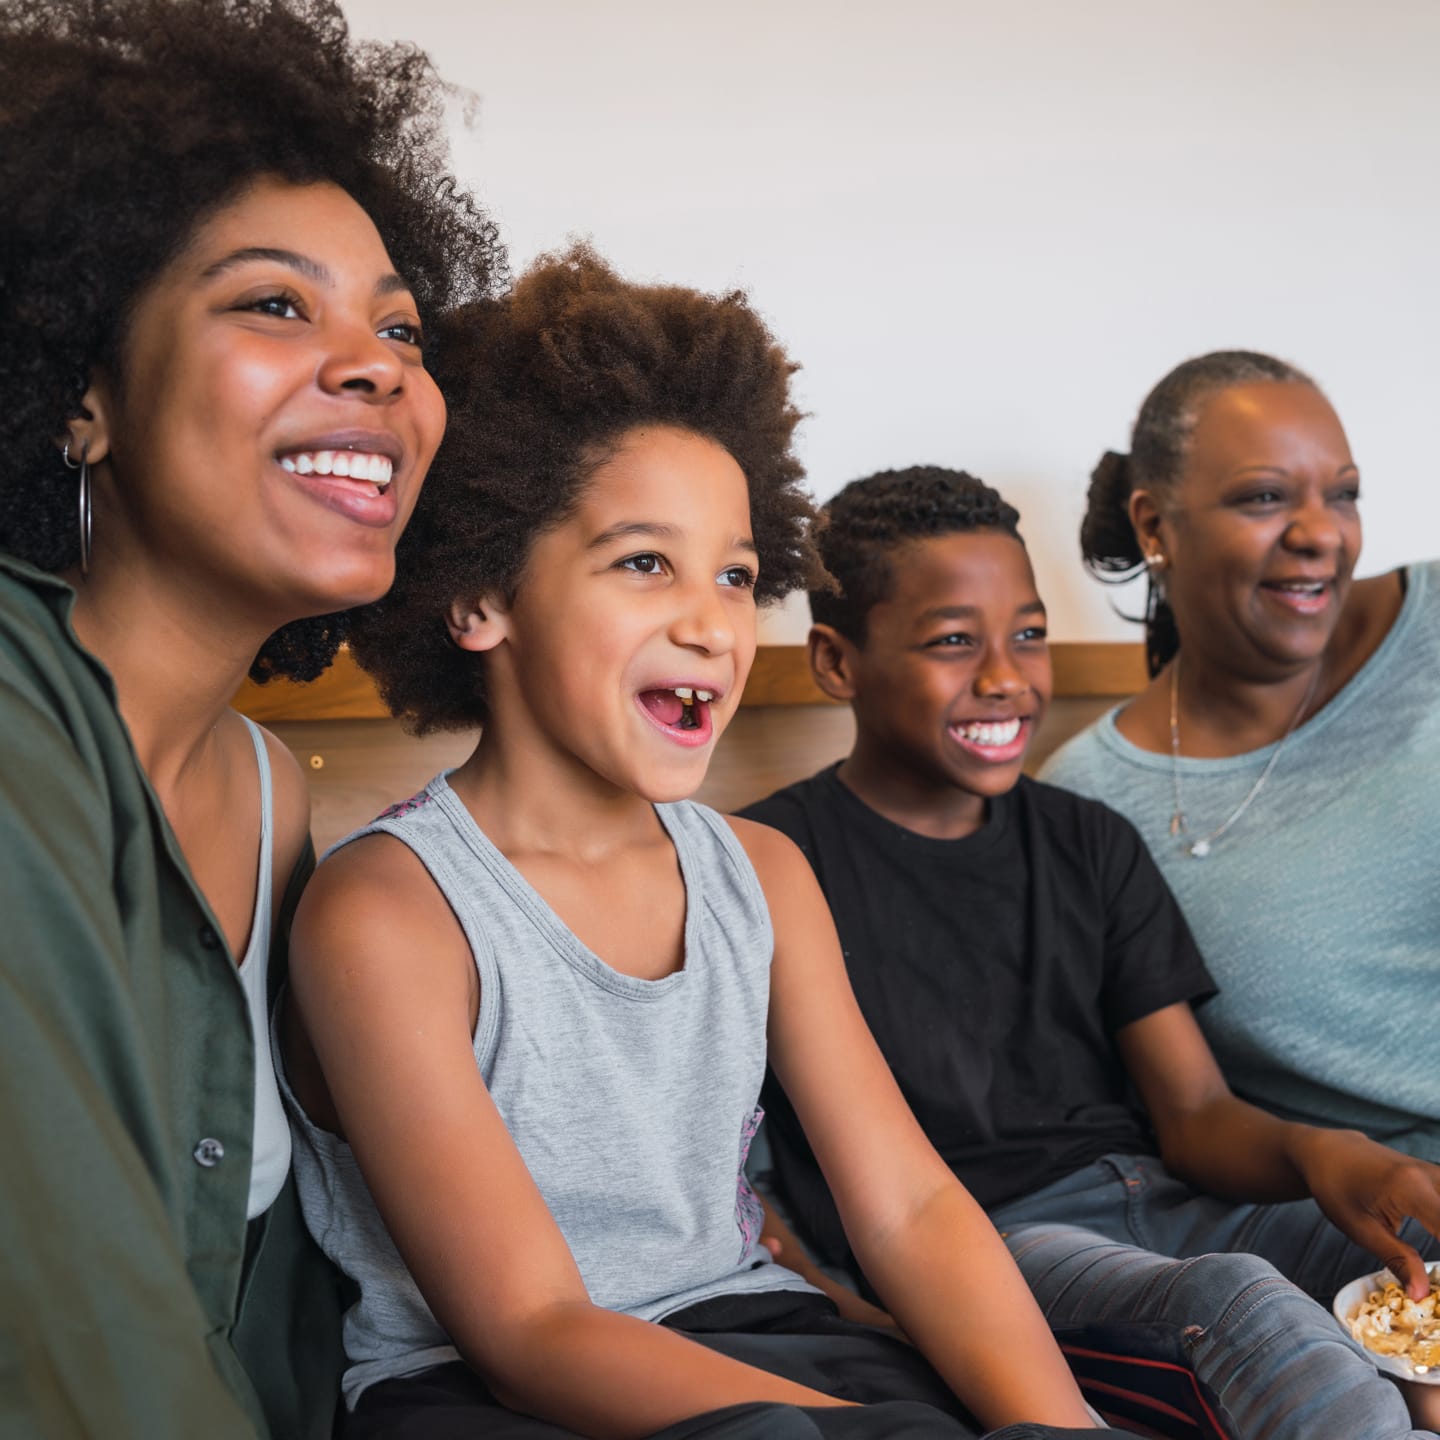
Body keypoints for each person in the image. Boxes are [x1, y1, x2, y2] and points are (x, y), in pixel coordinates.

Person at [279, 247, 1126, 1439]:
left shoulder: (761, 876)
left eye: (735, 576)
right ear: (481, 600)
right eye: (644, 563)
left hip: (747, 1324)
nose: (711, 623)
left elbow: (909, 1209)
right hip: (479, 1389)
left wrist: (1059, 1432)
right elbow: (526, 1330)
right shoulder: (390, 913)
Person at [0, 2, 503, 1435]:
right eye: (276, 303)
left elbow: (303, 1298)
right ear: (79, 390)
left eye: (400, 326)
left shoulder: (284, 800)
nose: (379, 367)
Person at [738, 466, 1440, 1440]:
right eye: (953, 642)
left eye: (1028, 634)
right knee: (1242, 1304)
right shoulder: (769, 866)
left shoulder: (1090, 841)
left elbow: (1193, 1114)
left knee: (1407, 1261)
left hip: (1163, 1194)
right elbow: (749, 1174)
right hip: (989, 1248)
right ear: (835, 662)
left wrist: (1326, 1152)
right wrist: (852, 1307)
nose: (1004, 676)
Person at [1040, 352, 1438, 1165]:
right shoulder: (1092, 802)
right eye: (1265, 497)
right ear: (1156, 527)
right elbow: (1181, 1113)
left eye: (1344, 494)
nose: (1321, 532)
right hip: (1384, 1246)